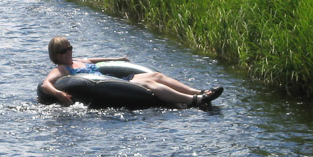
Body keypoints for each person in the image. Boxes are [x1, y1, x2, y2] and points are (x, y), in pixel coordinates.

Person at [40, 35, 223, 107]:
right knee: (151, 85)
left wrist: (118, 59)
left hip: (115, 79)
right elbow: (47, 83)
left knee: (156, 76)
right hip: (112, 86)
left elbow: (97, 60)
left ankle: (198, 91)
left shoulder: (80, 60)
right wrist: (58, 94)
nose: (68, 52)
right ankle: (195, 101)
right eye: (63, 51)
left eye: (69, 48)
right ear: (55, 56)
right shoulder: (62, 69)